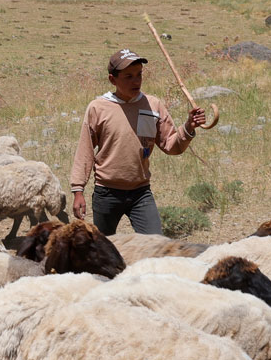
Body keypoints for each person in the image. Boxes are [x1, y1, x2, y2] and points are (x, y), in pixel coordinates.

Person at [68, 49, 206, 235]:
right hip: (107, 193)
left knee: (155, 243)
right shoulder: (98, 108)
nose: (136, 81)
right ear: (112, 79)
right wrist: (78, 190)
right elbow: (85, 151)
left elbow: (171, 145)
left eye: (139, 74)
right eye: (128, 76)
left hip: (141, 193)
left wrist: (189, 126)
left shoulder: (153, 105)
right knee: (105, 250)